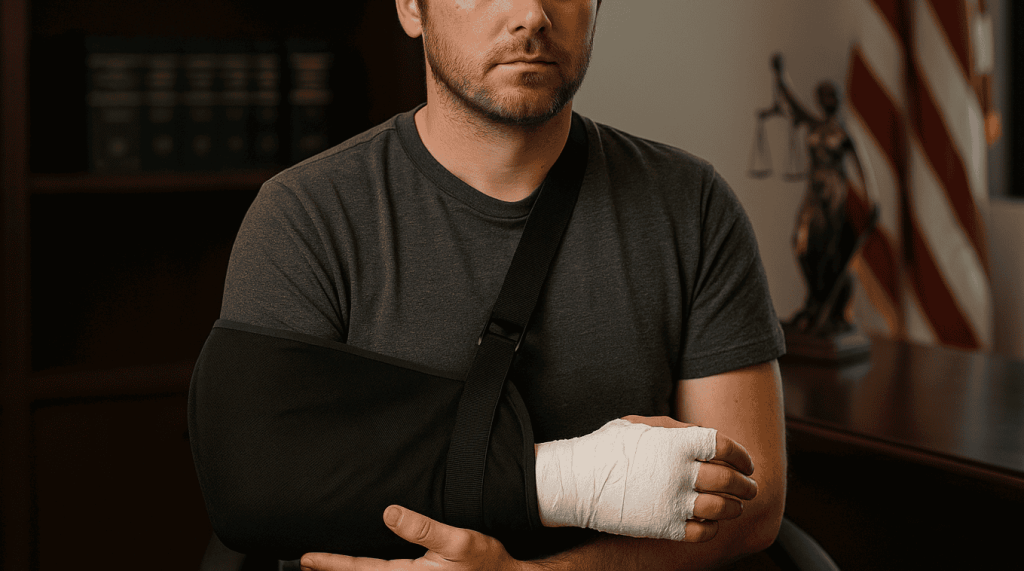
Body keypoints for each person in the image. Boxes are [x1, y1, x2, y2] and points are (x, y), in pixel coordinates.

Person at [217, 1, 787, 569]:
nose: (532, 14)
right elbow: (264, 487)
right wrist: (565, 480)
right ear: (413, 9)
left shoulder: (694, 207)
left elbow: (753, 508)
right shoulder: (304, 216)